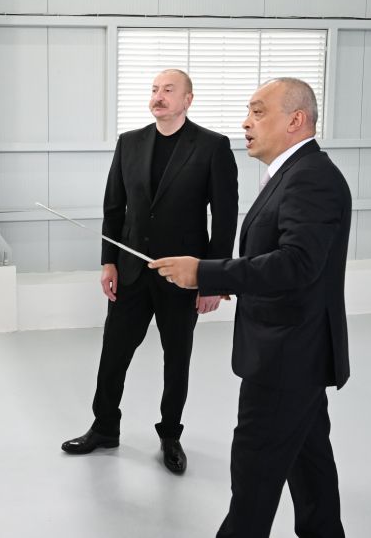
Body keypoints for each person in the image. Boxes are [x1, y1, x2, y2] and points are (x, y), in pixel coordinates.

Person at [150, 77, 350, 536]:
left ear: (296, 121)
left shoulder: (310, 178)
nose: (245, 122)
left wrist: (206, 273)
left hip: (285, 357)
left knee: (253, 481)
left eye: (258, 112)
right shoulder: (293, 173)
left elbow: (297, 264)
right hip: (297, 353)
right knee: (311, 469)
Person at [61, 69, 239, 475]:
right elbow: (114, 208)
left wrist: (213, 279)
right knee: (113, 353)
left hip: (183, 275)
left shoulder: (212, 146)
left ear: (188, 99)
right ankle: (104, 427)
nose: (158, 96)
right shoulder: (129, 143)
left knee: (176, 360)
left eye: (168, 90)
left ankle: (170, 435)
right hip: (131, 272)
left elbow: (225, 217)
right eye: (155, 89)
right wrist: (108, 261)